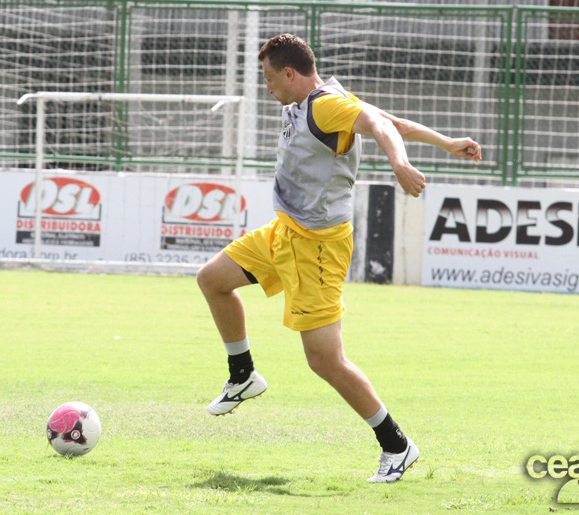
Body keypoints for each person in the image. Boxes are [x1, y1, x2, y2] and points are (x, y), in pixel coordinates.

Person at [196, 33, 481, 482]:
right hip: (285, 232)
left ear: (290, 73)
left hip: (318, 248)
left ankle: (397, 445)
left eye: (270, 78)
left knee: (325, 360)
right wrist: (446, 142)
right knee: (213, 279)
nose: (266, 86)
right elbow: (389, 120)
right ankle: (243, 375)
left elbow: (383, 128)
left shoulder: (326, 104)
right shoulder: (315, 100)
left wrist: (400, 164)